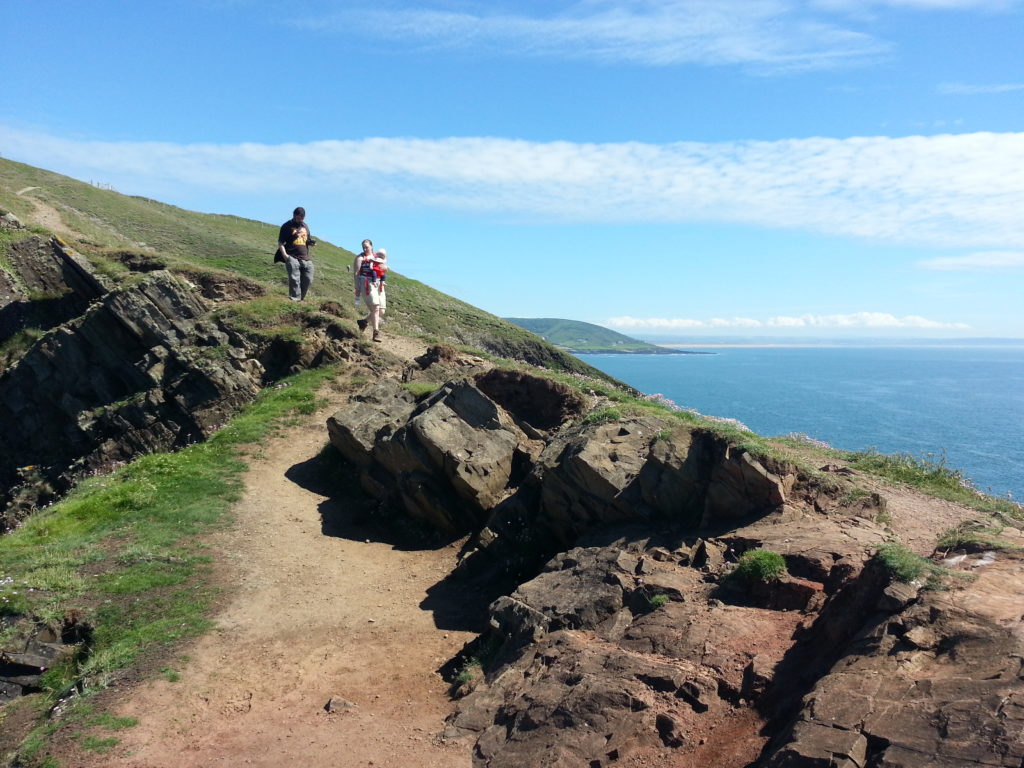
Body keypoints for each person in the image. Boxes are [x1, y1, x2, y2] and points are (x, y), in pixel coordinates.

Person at [277, 207, 316, 301]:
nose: (300, 220)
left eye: (302, 218)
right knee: (295, 280)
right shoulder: (286, 226)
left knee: (308, 279)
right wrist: (285, 256)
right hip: (292, 256)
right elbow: (280, 242)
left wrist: (311, 243)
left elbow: (307, 240)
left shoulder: (305, 226)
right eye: (299, 218)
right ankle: (295, 300)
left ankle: (300, 300)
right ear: (294, 215)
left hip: (305, 257)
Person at [353, 240, 387, 342]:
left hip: (379, 284)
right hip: (367, 283)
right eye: (363, 247)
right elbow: (356, 274)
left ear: (372, 246)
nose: (365, 249)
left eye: (366, 247)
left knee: (381, 310)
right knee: (375, 308)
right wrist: (357, 288)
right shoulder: (360, 258)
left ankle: (363, 322)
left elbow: (383, 268)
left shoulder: (377, 255)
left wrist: (384, 270)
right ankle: (376, 333)